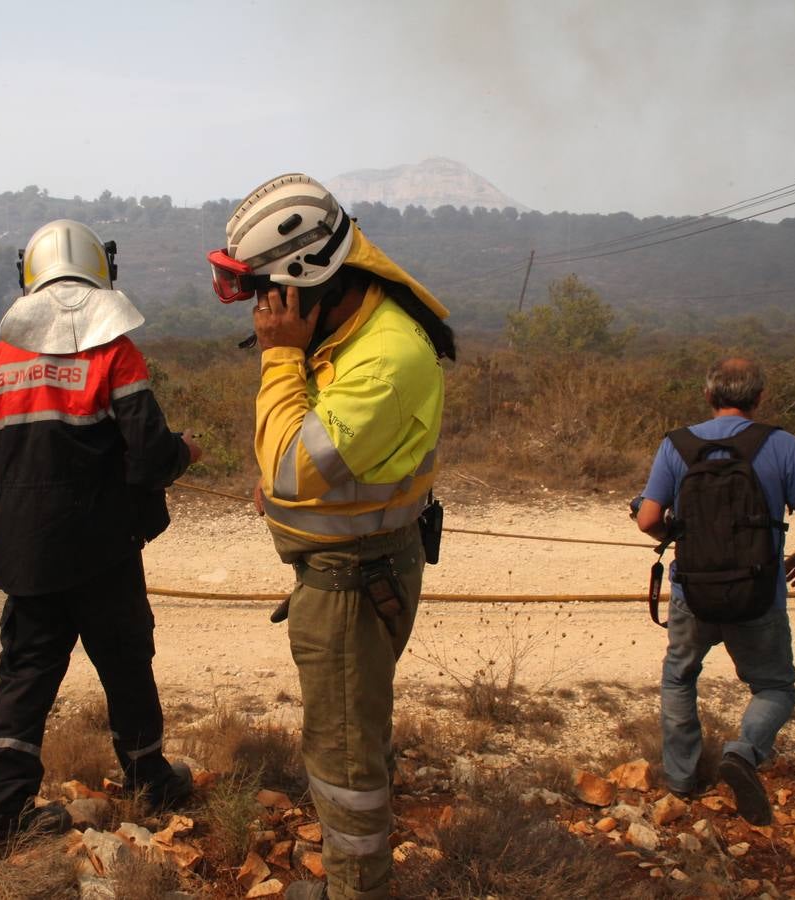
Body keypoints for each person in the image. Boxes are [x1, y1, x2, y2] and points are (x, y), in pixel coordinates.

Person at [206, 174, 454, 900]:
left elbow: (288, 463)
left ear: (308, 279)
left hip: (353, 587)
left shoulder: (386, 357)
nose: (261, 313)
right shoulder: (349, 321)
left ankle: (356, 886)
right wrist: (291, 479)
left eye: (266, 296)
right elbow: (313, 455)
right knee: (355, 736)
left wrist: (278, 356)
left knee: (343, 766)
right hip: (349, 575)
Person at [0, 219, 202, 836]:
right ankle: (150, 781)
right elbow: (147, 452)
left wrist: (23, 493)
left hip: (27, 551)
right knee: (124, 661)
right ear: (102, 273)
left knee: (27, 674)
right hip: (103, 550)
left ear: (28, 275)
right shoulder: (115, 352)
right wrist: (184, 453)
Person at [634, 357, 795, 825]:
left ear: (708, 395)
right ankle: (743, 751)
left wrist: (680, 532)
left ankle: (680, 782)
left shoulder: (677, 445)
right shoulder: (781, 445)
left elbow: (647, 519)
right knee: (775, 686)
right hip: (758, 592)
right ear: (759, 398)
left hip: (693, 590)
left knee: (680, 677)